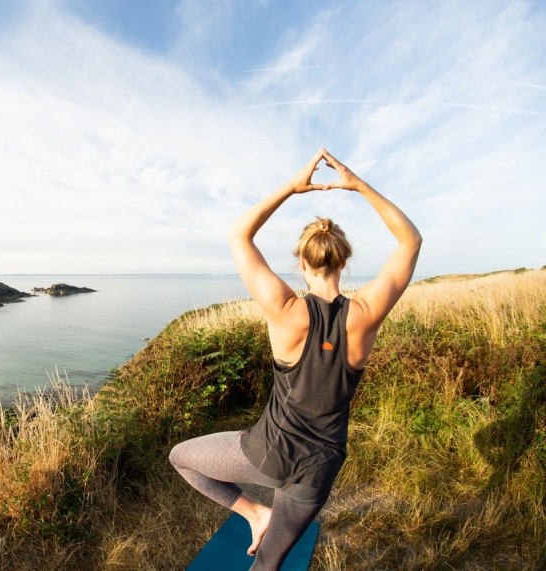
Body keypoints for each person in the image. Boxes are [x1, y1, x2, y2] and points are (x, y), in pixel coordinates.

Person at [169, 148, 422, 570]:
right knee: (269, 564)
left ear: (301, 263)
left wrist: (292, 186)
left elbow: (239, 235)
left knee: (181, 457)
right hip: (319, 468)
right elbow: (411, 240)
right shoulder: (363, 315)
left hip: (267, 453)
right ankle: (261, 519)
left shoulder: (286, 311)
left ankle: (254, 513)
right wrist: (357, 184)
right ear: (343, 261)